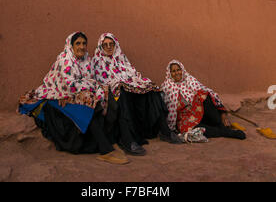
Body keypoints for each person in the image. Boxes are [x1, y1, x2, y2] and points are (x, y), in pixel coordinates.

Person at [18, 32, 129, 164]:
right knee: (90, 100)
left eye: (84, 44)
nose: (82, 47)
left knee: (106, 95)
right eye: (78, 43)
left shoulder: (87, 60)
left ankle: (109, 140)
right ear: (70, 46)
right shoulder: (65, 60)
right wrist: (91, 86)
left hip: (76, 94)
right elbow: (70, 85)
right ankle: (105, 150)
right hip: (58, 96)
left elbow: (90, 80)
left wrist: (92, 86)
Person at [92, 33, 182, 156]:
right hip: (113, 92)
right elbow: (99, 81)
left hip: (129, 87)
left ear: (115, 45)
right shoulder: (97, 61)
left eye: (111, 44)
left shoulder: (121, 58)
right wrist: (119, 84)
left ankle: (165, 131)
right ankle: (127, 140)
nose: (108, 47)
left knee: (151, 89)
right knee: (121, 94)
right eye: (105, 44)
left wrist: (138, 83)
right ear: (101, 46)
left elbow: (133, 74)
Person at [161, 60, 246, 140]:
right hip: (185, 118)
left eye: (178, 70)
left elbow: (209, 92)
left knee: (203, 94)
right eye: (173, 71)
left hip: (198, 111)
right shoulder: (166, 87)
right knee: (190, 129)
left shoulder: (189, 80)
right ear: (169, 73)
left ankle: (220, 123)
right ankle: (226, 132)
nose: (177, 73)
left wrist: (223, 113)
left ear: (182, 70)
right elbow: (167, 109)